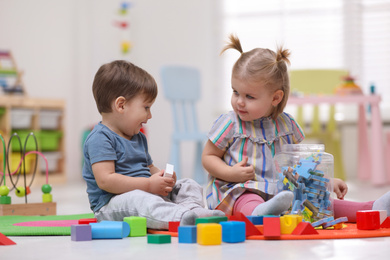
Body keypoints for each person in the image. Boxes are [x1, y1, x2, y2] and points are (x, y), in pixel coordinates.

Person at [202, 34, 390, 222]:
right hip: (241, 187)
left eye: (249, 97)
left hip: (283, 189)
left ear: (275, 98)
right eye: (235, 92)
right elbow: (208, 156)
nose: (239, 102)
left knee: (318, 200)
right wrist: (230, 173)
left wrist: (325, 182)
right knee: (247, 198)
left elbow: (300, 163)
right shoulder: (230, 123)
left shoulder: (286, 125)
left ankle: (371, 208)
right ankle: (261, 213)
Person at [82, 60, 225, 230]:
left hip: (145, 192)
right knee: (138, 200)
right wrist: (148, 185)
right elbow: (106, 181)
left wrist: (163, 176)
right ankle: (179, 217)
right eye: (146, 107)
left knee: (188, 184)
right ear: (121, 105)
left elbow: (148, 167)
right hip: (112, 204)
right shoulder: (100, 138)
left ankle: (193, 210)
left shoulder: (137, 136)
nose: (149, 115)